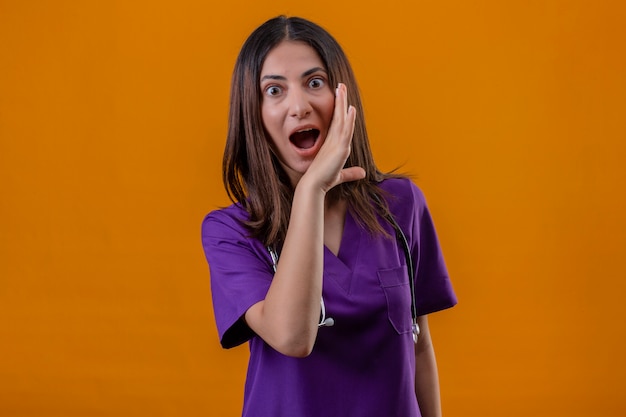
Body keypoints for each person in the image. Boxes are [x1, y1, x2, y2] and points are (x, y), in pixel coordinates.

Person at [201, 15, 457, 417]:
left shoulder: (401, 205)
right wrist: (311, 192)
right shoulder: (230, 231)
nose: (299, 106)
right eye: (274, 90)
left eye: (314, 83)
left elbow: (419, 343)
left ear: (343, 96)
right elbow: (292, 337)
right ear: (253, 113)